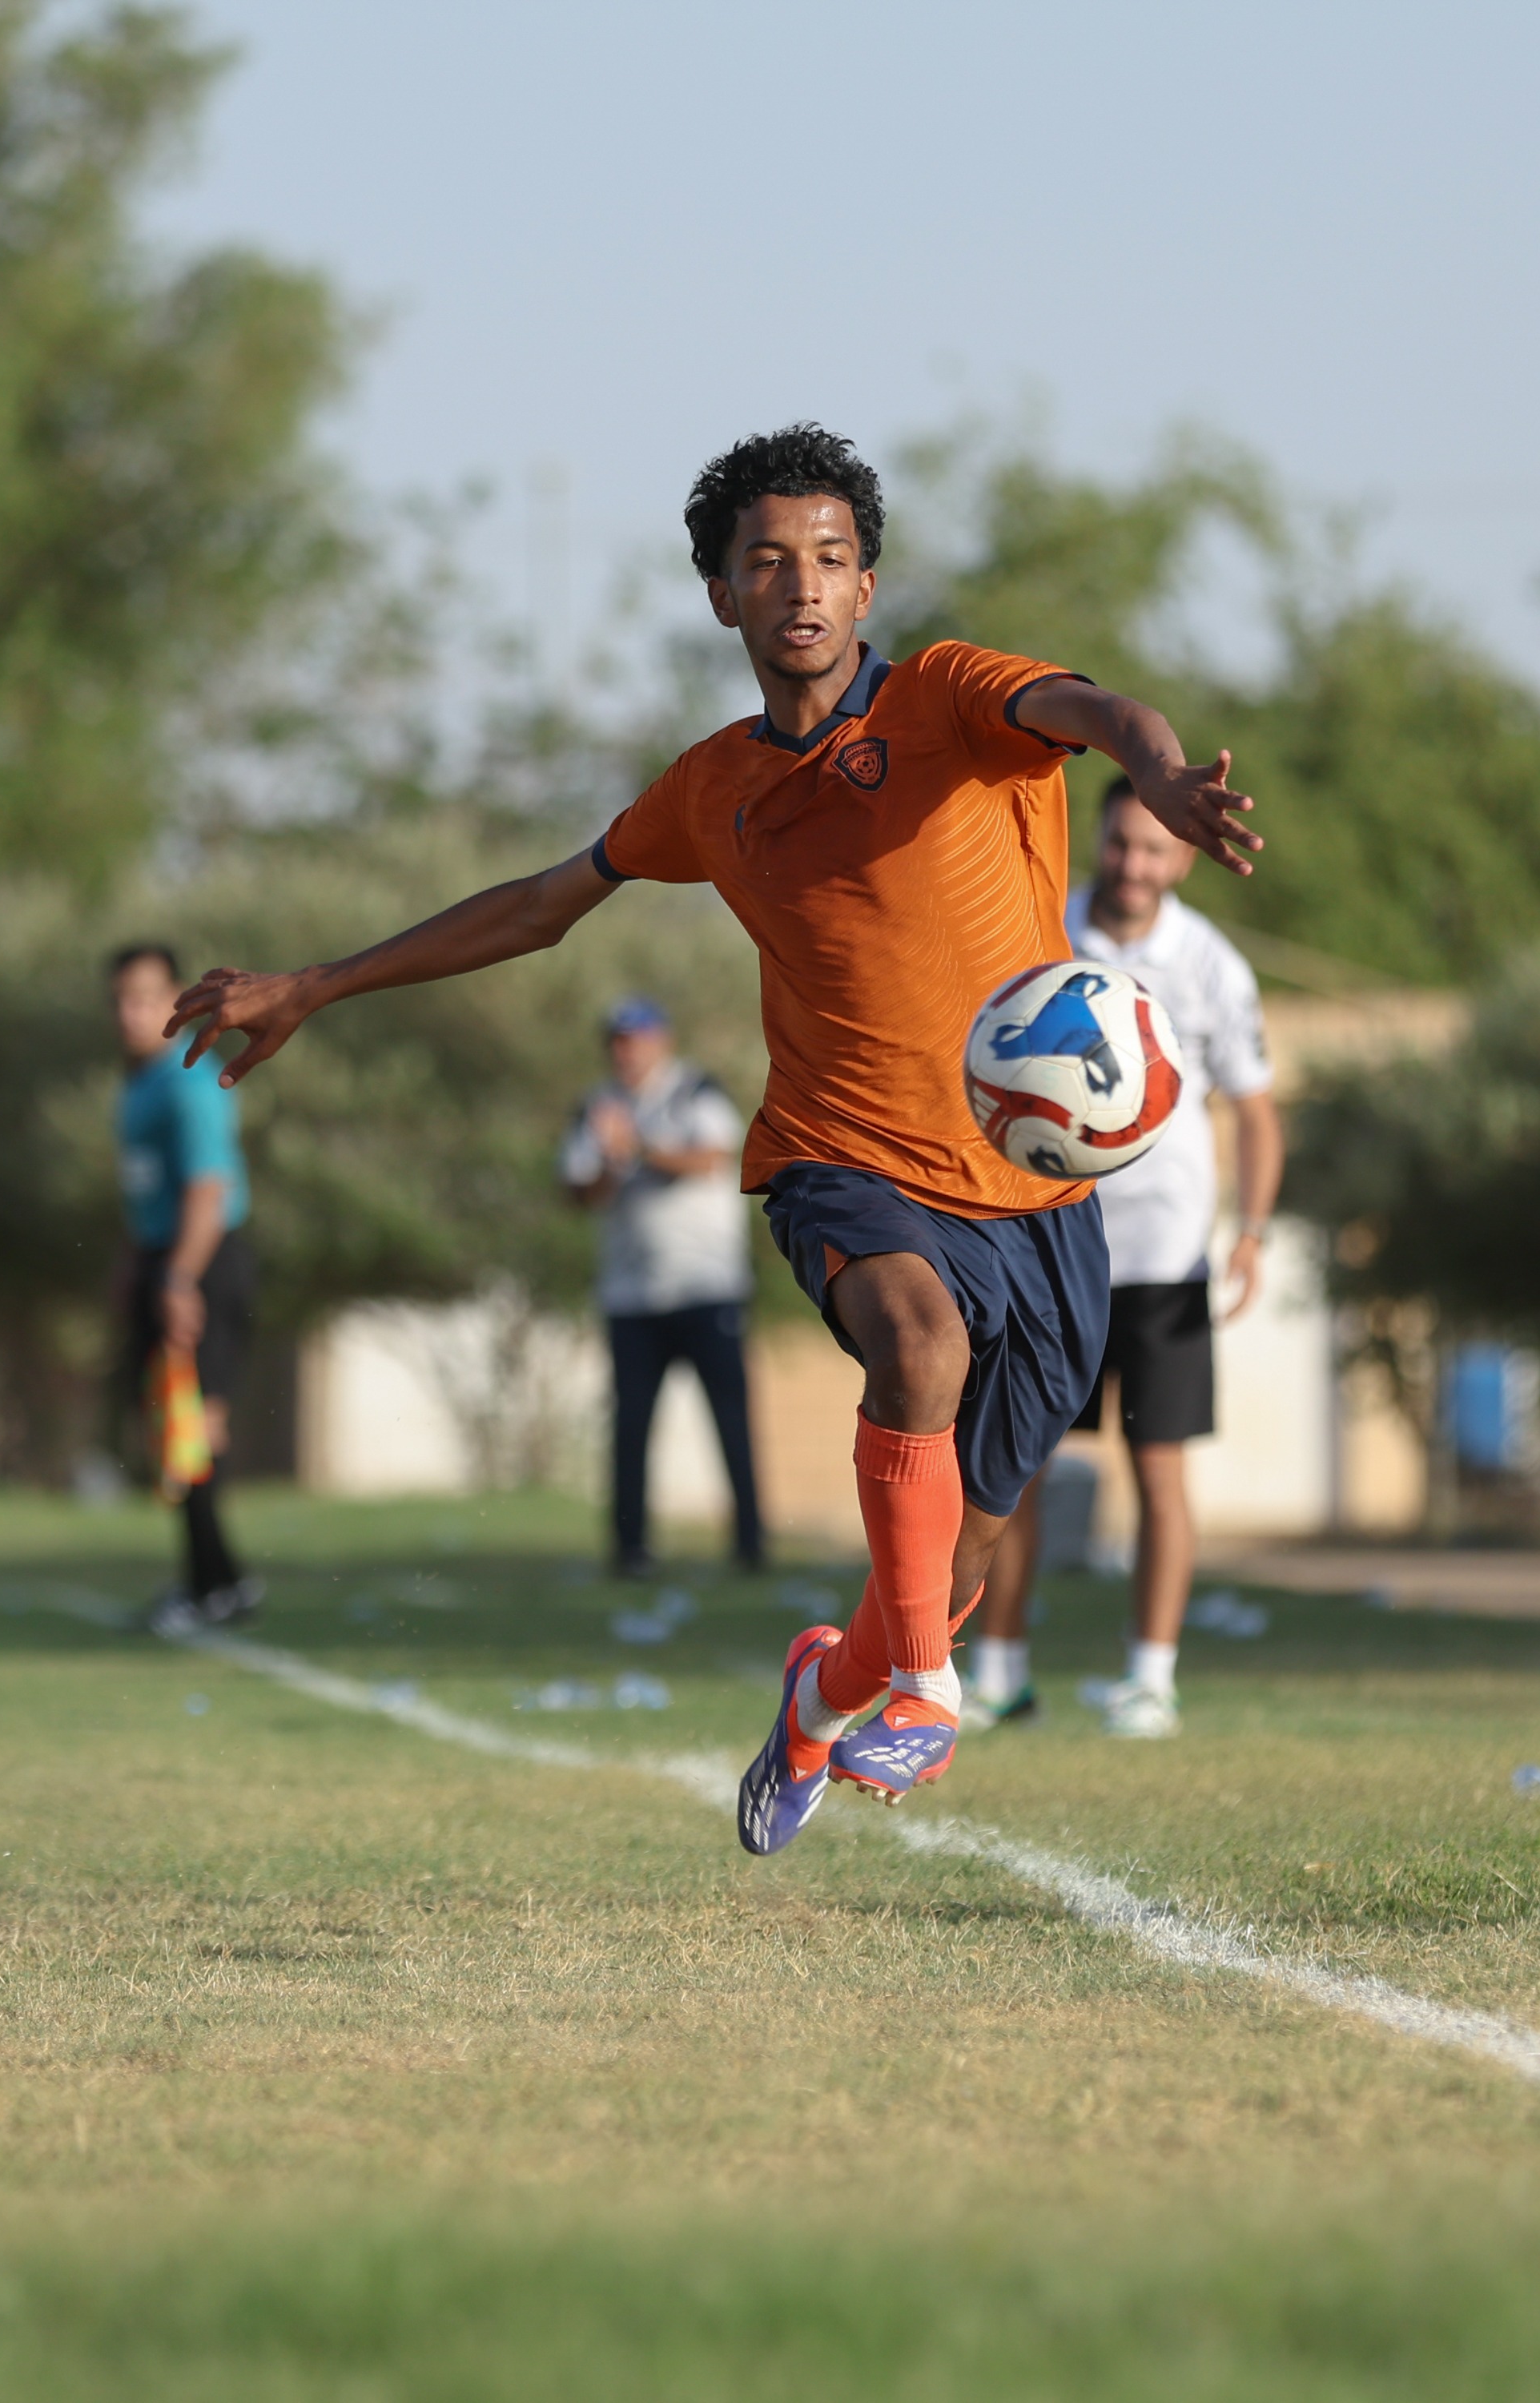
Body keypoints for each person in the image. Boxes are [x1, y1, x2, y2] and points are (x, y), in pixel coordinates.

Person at [164, 423, 1261, 1855]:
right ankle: (925, 1690)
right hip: (841, 1157)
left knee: (959, 1556)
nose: (802, 584)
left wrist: (1163, 777)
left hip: (1038, 1202)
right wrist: (318, 983)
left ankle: (830, 1690)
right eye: (768, 561)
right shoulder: (711, 790)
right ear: (721, 594)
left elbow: (1106, 713)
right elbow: (541, 906)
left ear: (867, 586)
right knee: (919, 1348)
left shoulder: (950, 698)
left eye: (831, 558)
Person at [969, 780, 1285, 1738]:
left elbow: (1256, 1111)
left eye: (1153, 849)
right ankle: (999, 1674)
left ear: (1183, 857)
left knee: (1158, 1475)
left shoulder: (1212, 964)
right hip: (1050, 1248)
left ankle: (1151, 1680)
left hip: (1166, 1258)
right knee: (1016, 1467)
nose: (1134, 865)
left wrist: (1251, 1231)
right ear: (1097, 842)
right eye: (1119, 844)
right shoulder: (1043, 931)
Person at [561, 994, 764, 1575]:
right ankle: (630, 1549)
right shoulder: (596, 1107)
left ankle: (750, 1545)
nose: (627, 1052)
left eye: (637, 1040)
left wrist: (639, 1148)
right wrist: (609, 1163)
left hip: (706, 1286)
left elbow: (713, 1157)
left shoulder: (695, 1091)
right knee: (631, 1426)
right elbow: (577, 1192)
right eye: (618, 1042)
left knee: (729, 1419)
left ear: (662, 1042)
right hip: (631, 1294)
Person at [108, 942, 260, 1630]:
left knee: (194, 1426)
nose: (130, 1013)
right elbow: (148, 1192)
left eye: (144, 998)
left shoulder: (189, 1079)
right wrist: (132, 1264)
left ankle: (217, 1587)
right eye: (120, 1000)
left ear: (173, 1000)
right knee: (172, 1428)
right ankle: (213, 1580)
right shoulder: (138, 1083)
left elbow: (208, 1188)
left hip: (201, 1263)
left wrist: (178, 1279)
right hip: (161, 1260)